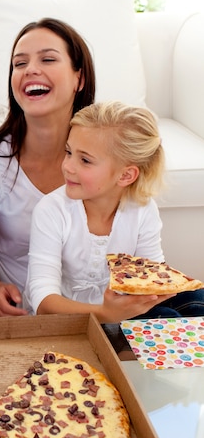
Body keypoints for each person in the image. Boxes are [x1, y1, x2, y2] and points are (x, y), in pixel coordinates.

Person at [0, 18, 95, 317]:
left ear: (78, 79)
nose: (30, 69)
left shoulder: (108, 157)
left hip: (95, 315)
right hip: (22, 317)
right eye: (20, 64)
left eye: (47, 59)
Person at [25, 100, 204, 323]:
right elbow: (43, 303)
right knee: (166, 317)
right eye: (68, 152)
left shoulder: (143, 209)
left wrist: (162, 290)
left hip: (121, 309)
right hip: (69, 319)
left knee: (197, 300)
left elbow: (152, 277)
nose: (67, 166)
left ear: (126, 176)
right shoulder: (52, 210)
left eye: (85, 160)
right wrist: (106, 314)